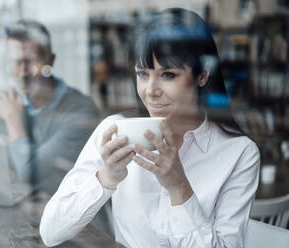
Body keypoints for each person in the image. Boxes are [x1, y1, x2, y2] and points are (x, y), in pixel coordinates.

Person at [40, 8, 260, 248]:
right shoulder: (115, 131)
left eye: (168, 74)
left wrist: (179, 187)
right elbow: (51, 232)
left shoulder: (239, 153)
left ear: (202, 76)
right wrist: (106, 178)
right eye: (143, 74)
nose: (150, 90)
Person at [0, 20, 99, 194]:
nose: (22, 73)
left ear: (50, 61)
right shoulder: (8, 100)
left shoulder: (81, 110)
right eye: (15, 63)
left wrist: (13, 122)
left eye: (30, 62)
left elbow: (29, 172)